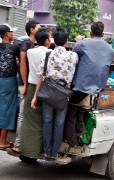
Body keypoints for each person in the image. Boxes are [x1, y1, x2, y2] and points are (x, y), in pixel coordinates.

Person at [65, 21, 114, 147]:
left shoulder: (82, 44)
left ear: (90, 33)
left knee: (71, 112)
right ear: (103, 34)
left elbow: (73, 58)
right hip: (97, 87)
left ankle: (72, 142)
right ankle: (81, 133)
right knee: (81, 110)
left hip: (81, 84)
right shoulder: (110, 49)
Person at [32, 27, 79, 159]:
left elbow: (41, 76)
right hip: (63, 94)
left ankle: (47, 151)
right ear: (66, 41)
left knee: (47, 122)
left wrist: (35, 96)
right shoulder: (73, 56)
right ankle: (54, 153)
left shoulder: (47, 54)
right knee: (59, 123)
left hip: (48, 92)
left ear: (54, 40)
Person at [18, 28, 51, 158]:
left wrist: (24, 85)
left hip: (32, 87)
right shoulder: (50, 52)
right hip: (46, 88)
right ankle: (38, 151)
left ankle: (26, 151)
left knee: (29, 120)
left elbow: (22, 64)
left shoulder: (30, 51)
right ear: (47, 40)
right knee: (42, 121)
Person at [12, 20, 40, 152]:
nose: (40, 29)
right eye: (38, 28)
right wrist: (25, 84)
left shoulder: (32, 45)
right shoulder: (25, 44)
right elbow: (21, 64)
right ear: (32, 30)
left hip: (27, 83)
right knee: (22, 113)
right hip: (25, 84)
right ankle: (17, 143)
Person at [0, 24, 20, 149]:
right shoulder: (14, 47)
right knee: (8, 110)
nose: (12, 34)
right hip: (10, 81)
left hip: (0, 80)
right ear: (7, 34)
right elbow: (20, 63)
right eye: (11, 32)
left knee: (0, 109)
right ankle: (2, 140)